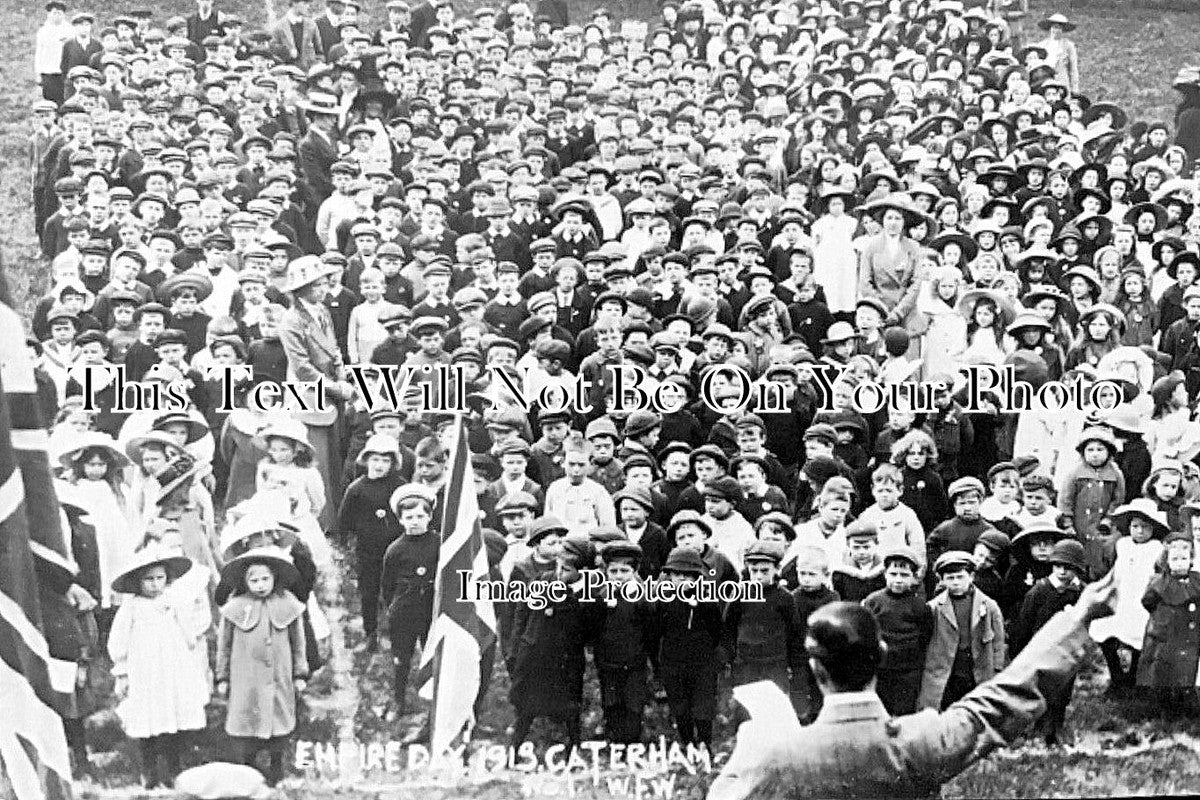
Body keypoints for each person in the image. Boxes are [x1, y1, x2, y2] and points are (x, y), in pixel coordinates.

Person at [708, 570, 1119, 800]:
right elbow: (1004, 696)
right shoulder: (922, 740)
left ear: (816, 671)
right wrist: (1078, 617)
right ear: (881, 656)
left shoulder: (777, 756)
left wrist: (751, 747)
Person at [215, 546, 308, 786]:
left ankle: (277, 765)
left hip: (279, 674)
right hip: (246, 675)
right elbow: (223, 645)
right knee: (248, 717)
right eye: (253, 580)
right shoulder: (235, 607)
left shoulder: (288, 603)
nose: (260, 584)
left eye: (265, 578)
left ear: (274, 578)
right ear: (245, 582)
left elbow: (299, 642)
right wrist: (222, 677)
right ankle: (249, 766)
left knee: (278, 716)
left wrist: (300, 673)